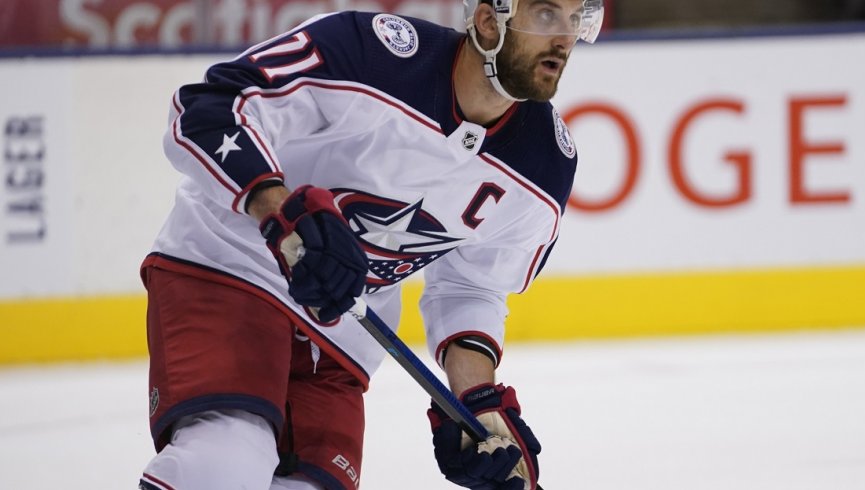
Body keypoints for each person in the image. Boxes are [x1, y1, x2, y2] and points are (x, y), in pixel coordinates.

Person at [138, 1, 603, 489]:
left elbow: (474, 288)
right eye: (547, 14)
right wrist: (281, 216)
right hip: (232, 270)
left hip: (343, 339)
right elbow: (211, 107)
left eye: (578, 20)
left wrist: (478, 399)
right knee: (223, 464)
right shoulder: (373, 53)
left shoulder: (545, 166)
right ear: (489, 21)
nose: (565, 38)